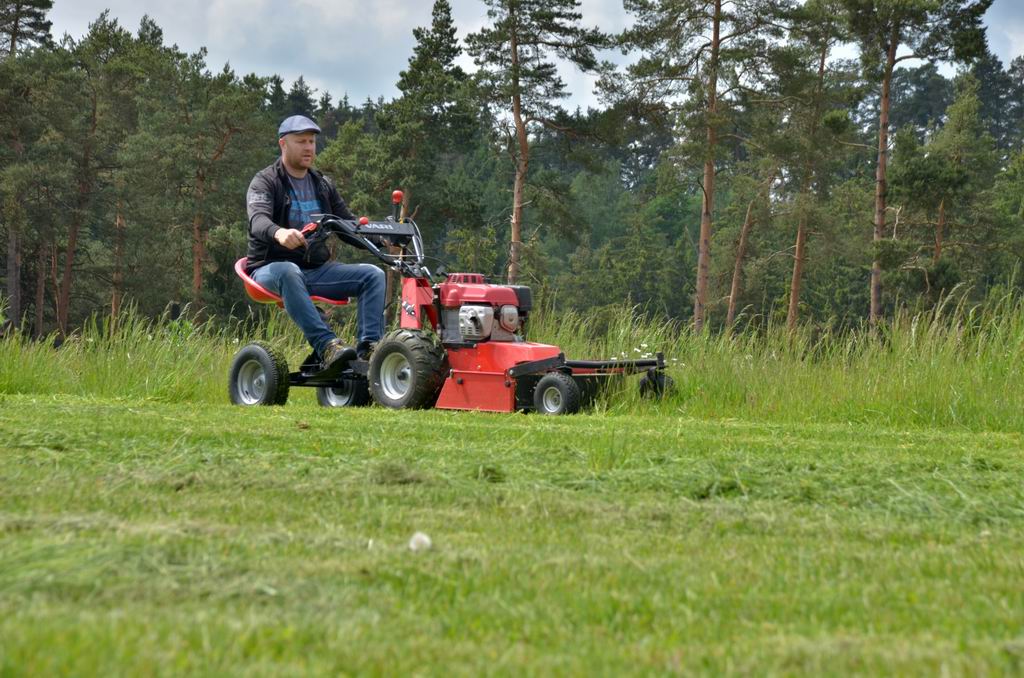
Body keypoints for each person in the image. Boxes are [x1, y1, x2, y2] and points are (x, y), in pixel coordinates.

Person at [245, 115, 385, 366]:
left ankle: (371, 353)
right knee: (288, 270)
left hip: (315, 270)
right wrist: (280, 233)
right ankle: (327, 346)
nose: (309, 147)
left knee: (373, 275)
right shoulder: (265, 181)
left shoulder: (322, 184)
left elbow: (347, 226)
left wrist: (384, 240)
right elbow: (258, 221)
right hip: (271, 268)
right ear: (283, 144)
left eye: (311, 141)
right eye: (301, 141)